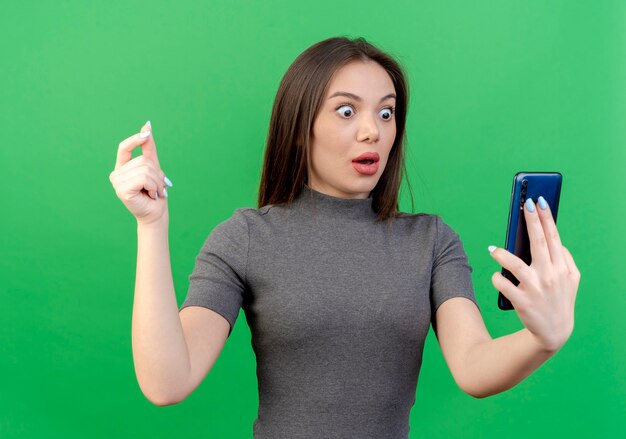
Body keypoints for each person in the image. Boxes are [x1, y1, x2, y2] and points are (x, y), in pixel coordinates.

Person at [109, 37, 580, 438]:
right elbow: (167, 383)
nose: (372, 131)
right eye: (347, 110)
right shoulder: (246, 237)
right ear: (299, 127)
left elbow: (475, 367)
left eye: (387, 112)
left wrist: (544, 337)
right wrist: (151, 226)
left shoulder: (432, 241)